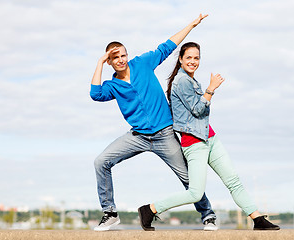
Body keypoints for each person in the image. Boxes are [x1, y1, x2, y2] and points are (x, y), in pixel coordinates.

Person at [90, 15, 218, 231]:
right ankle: (110, 213)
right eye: (115, 57)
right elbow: (95, 94)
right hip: (137, 136)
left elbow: (168, 46)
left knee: (188, 178)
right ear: (110, 61)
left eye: (123, 55)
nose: (120, 59)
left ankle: (208, 215)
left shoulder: (142, 63)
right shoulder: (112, 85)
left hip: (164, 134)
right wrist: (99, 62)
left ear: (127, 55)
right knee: (101, 162)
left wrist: (192, 25)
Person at [138, 42, 280, 231]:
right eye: (188, 57)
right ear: (180, 59)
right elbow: (197, 110)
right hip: (194, 143)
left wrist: (208, 90)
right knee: (195, 193)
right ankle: (150, 209)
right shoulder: (181, 81)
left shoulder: (191, 80)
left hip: (210, 138)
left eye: (196, 58)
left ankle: (257, 219)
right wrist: (211, 89)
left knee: (233, 181)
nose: (193, 61)